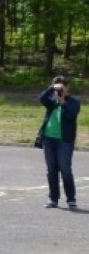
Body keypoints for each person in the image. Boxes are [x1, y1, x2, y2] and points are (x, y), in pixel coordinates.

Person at [39, 76, 80, 210]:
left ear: (67, 88)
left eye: (62, 87)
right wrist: (52, 88)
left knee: (65, 169)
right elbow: (42, 99)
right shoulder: (51, 100)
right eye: (57, 88)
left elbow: (71, 115)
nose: (59, 91)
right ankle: (53, 198)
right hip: (48, 138)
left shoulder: (73, 102)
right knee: (51, 170)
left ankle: (71, 199)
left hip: (65, 140)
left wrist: (63, 101)